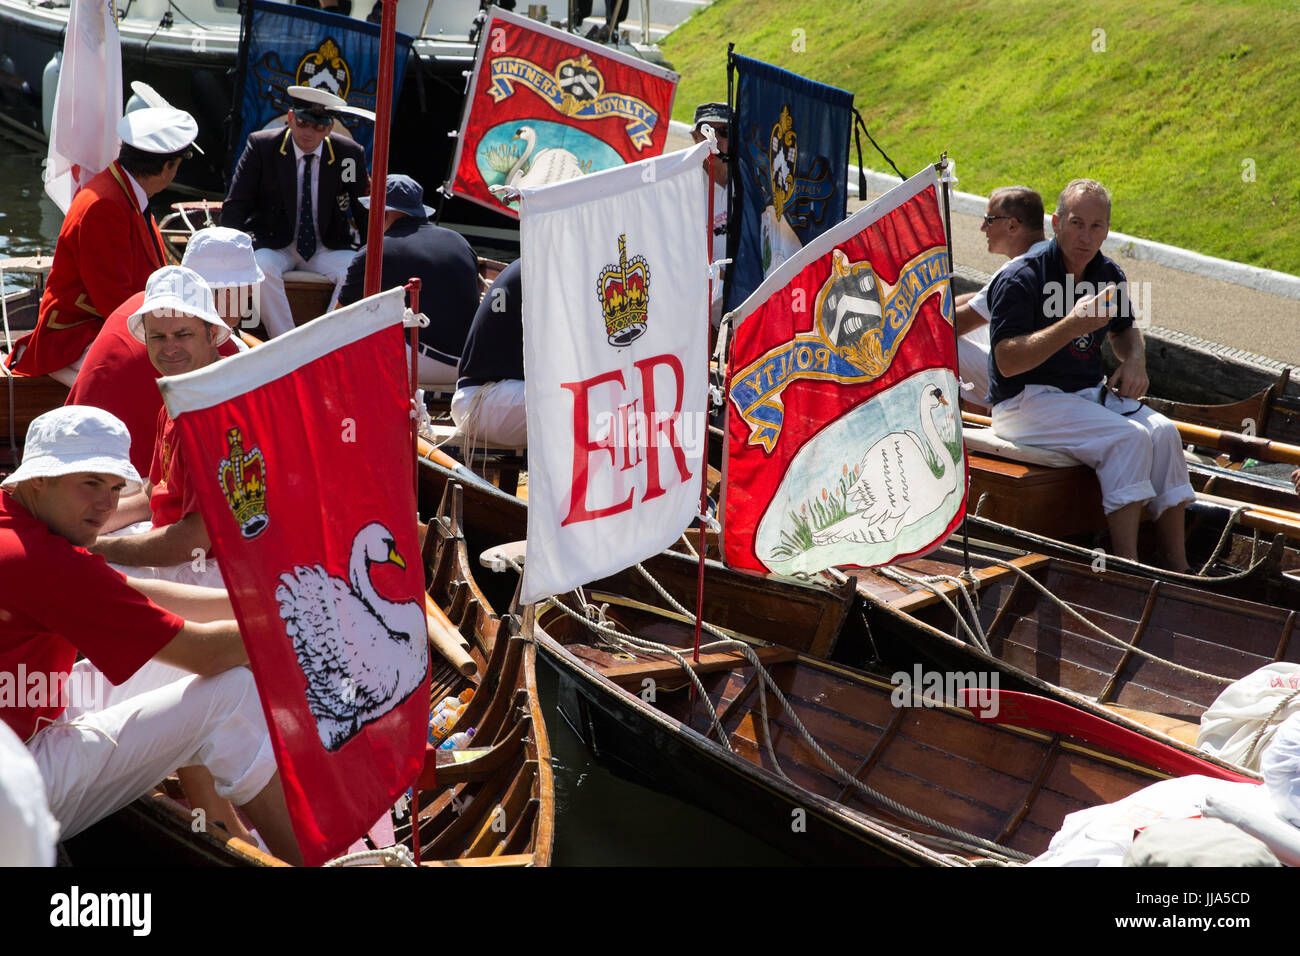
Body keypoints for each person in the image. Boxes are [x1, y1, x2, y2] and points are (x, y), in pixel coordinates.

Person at [0, 406, 301, 863]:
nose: (107, 504)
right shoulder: (42, 561)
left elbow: (141, 593)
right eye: (90, 484)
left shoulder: (20, 526)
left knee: (187, 673)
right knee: (230, 692)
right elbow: (206, 655)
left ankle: (218, 822)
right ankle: (312, 857)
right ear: (39, 480)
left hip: (27, 726)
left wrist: (279, 604)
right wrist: (303, 624)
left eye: (116, 487)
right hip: (13, 790)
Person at [988, 178, 1193, 570]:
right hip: (1024, 402)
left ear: (1107, 230)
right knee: (1128, 439)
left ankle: (1178, 567)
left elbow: (1125, 330)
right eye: (1077, 223)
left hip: (1082, 396)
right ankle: (1128, 568)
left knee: (1165, 433)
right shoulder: (1023, 276)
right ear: (1056, 222)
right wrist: (1072, 325)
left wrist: (1135, 362)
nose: (1086, 235)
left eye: (1096, 226)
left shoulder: (1108, 275)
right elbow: (1006, 362)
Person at [5, 107, 201, 384]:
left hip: (106, 323)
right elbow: (115, 303)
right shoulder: (106, 207)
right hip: (75, 336)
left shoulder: (123, 193)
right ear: (168, 167)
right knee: (166, 369)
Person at [65, 227, 262, 477]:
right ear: (229, 293)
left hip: (77, 460)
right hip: (125, 477)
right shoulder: (218, 352)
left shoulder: (141, 305)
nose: (249, 299)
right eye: (248, 290)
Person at [88, 267, 232, 585]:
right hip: (181, 549)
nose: (169, 348)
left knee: (69, 576)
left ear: (211, 334)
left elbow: (192, 543)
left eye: (183, 335)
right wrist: (81, 528)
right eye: (158, 337)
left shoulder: (215, 410)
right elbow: (153, 494)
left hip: (214, 571)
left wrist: (94, 548)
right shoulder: (182, 392)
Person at [221, 86, 368, 338]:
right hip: (275, 242)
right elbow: (236, 205)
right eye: (302, 123)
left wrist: (371, 252)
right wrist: (228, 255)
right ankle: (286, 342)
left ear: (330, 128)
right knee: (261, 267)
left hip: (327, 246)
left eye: (319, 127)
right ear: (290, 118)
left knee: (356, 270)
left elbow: (361, 208)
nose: (309, 133)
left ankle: (325, 343)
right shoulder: (263, 148)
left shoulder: (348, 155)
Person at [337, 174, 479, 389]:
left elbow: (337, 321)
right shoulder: (459, 241)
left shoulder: (375, 251)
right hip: (469, 365)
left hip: (421, 365)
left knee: (345, 333)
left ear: (383, 212)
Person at [952, 186, 1049, 406]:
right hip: (1039, 363)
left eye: (988, 219)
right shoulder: (1045, 254)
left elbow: (955, 324)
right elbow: (982, 300)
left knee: (939, 340)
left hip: (1032, 382)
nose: (982, 227)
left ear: (1012, 225)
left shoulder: (1017, 269)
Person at [451, 259, 526, 448]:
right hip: (483, 399)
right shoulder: (544, 269)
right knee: (583, 399)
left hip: (503, 395)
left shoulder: (540, 263)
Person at [691, 102, 730, 328]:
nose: (714, 141)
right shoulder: (685, 188)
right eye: (707, 132)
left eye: (723, 133)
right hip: (704, 289)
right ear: (695, 137)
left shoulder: (751, 183)